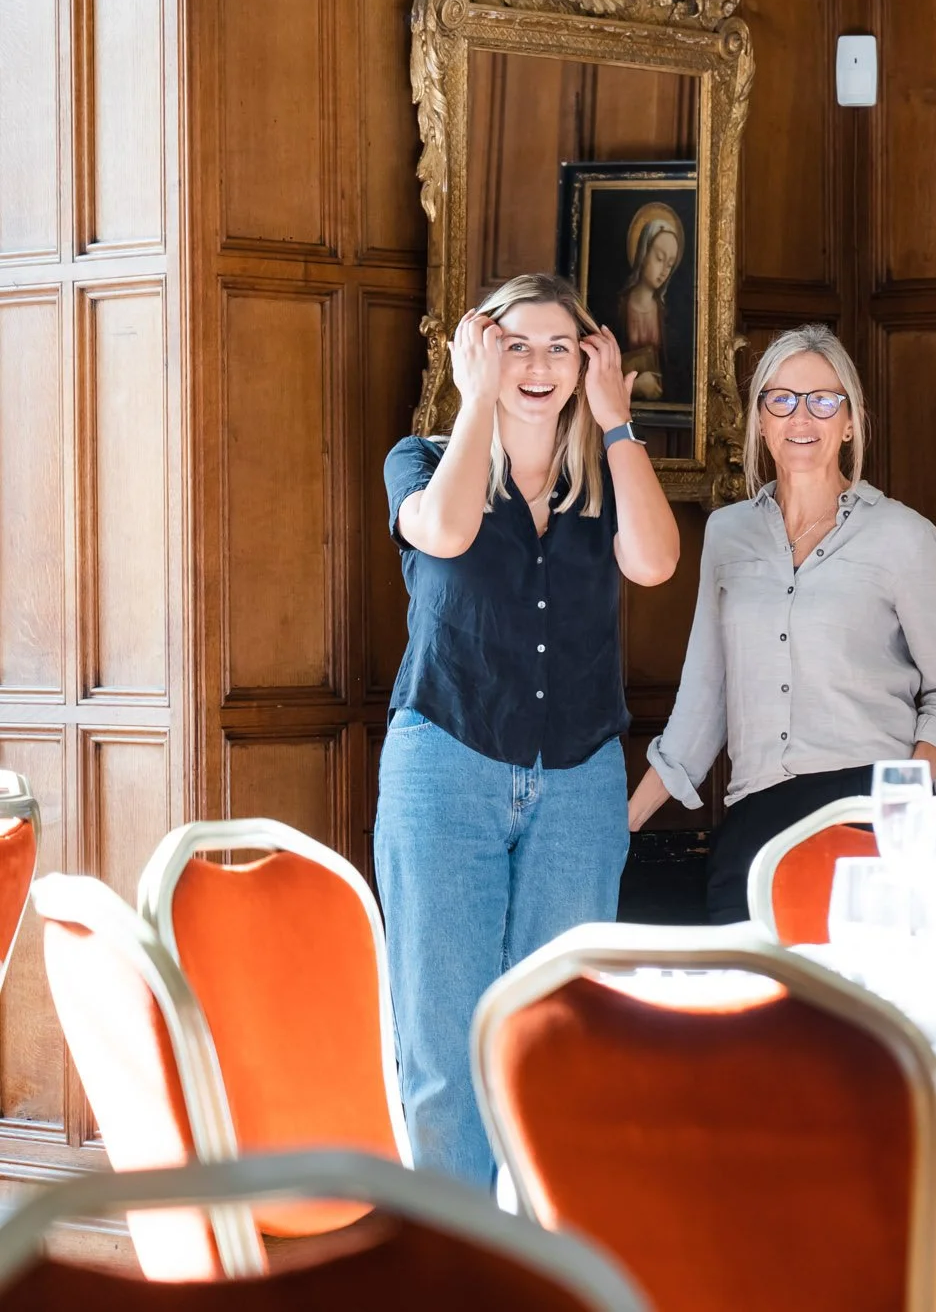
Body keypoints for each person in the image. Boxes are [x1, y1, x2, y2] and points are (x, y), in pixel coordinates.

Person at [378, 273, 681, 1187]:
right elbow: (445, 531)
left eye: (559, 347)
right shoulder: (422, 459)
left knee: (565, 1037)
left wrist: (617, 421)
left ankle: (544, 1252)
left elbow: (656, 562)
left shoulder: (606, 475)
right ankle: (456, 1255)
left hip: (578, 780)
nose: (538, 365)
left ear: (588, 361)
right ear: (482, 353)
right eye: (516, 345)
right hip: (447, 765)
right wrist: (474, 401)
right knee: (444, 1045)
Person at [630, 325, 936, 920]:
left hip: (869, 810)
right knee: (745, 980)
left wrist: (904, 802)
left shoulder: (904, 537)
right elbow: (704, 700)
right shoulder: (727, 534)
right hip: (757, 816)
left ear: (850, 421)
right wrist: (623, 825)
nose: (801, 417)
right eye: (782, 400)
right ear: (761, 421)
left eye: (823, 400)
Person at [618, 206, 682, 400]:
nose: (664, 270)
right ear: (643, 252)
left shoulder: (668, 315)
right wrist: (634, 385)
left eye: (670, 264)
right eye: (659, 258)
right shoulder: (617, 308)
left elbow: (676, 371)